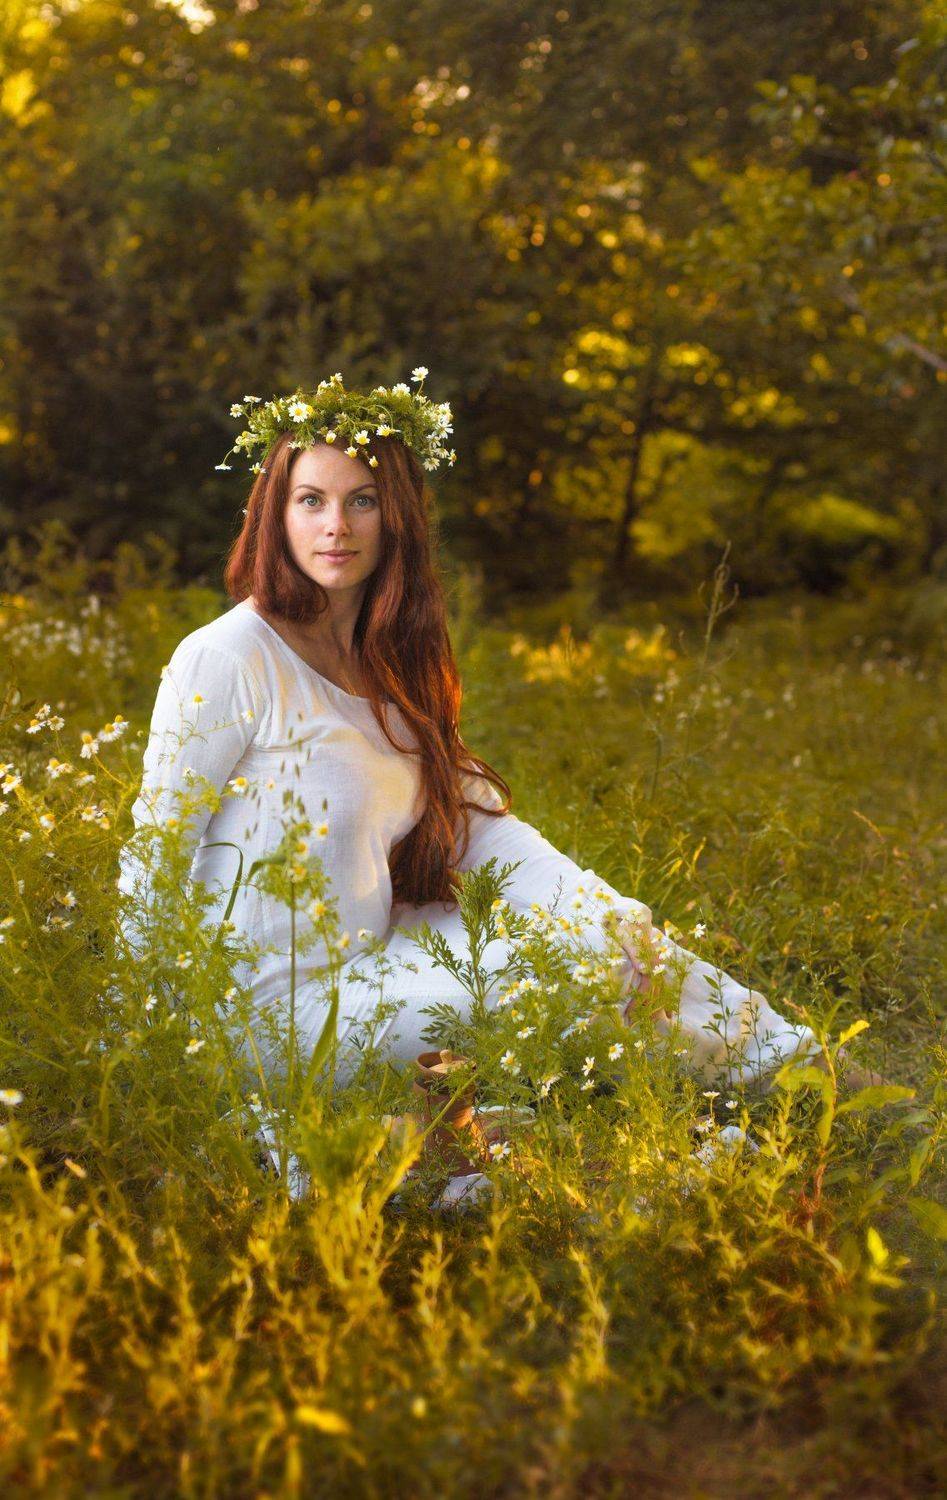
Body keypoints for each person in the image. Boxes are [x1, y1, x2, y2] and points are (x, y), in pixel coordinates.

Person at [117, 371, 877, 1100]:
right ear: (276, 514)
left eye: (362, 500)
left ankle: (804, 1071)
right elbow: (157, 847)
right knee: (570, 976)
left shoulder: (388, 664)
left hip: (372, 963)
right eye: (310, 500)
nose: (335, 526)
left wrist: (608, 916)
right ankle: (761, 1084)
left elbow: (475, 826)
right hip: (269, 1015)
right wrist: (142, 1036)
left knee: (618, 943)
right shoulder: (230, 657)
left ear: (397, 517)